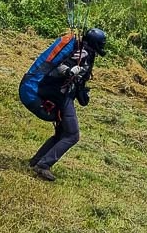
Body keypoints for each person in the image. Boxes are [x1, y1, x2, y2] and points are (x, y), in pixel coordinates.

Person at [19, 27, 106, 182]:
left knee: (61, 134)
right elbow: (60, 67)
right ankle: (43, 165)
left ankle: (36, 162)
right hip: (61, 95)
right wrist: (70, 72)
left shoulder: (83, 50)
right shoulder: (82, 53)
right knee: (72, 134)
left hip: (61, 94)